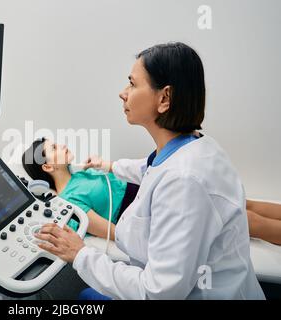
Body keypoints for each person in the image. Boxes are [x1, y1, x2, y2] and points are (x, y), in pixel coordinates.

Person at [34, 42, 265, 299]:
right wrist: (110, 165)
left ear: (164, 98)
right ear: (47, 166)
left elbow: (159, 293)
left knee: (85, 298)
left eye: (132, 84)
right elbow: (150, 166)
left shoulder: (184, 181)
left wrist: (81, 254)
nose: (123, 93)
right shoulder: (195, 145)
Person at [22, 137, 139, 240]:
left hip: (140, 187)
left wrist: (102, 165)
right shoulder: (69, 203)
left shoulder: (80, 174)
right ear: (48, 167)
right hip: (136, 209)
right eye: (54, 148)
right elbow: (114, 233)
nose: (62, 145)